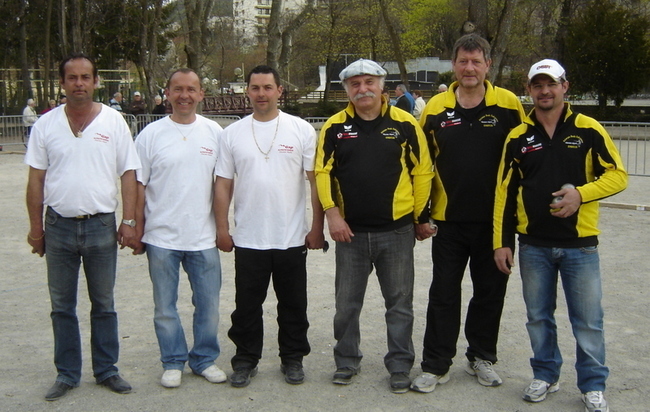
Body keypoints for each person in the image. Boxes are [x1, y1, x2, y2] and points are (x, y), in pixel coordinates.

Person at [493, 59, 627, 412]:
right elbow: (504, 195)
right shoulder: (518, 137)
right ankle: (545, 375)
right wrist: (501, 242)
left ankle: (593, 385)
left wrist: (581, 194)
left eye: (551, 84)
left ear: (565, 86)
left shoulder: (588, 129)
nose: (544, 91)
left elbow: (618, 175)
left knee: (587, 321)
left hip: (580, 247)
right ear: (529, 90)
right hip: (533, 245)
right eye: (537, 85)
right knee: (538, 317)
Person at [412, 34, 525, 394]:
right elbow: (423, 165)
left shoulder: (508, 105)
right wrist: (421, 213)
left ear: (488, 64)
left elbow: (524, 158)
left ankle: (482, 356)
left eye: (477, 61)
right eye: (463, 61)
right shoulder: (434, 109)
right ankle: (436, 363)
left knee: (489, 292)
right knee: (443, 293)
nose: (470, 68)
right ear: (454, 65)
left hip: (495, 222)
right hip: (447, 221)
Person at [25, 52, 140, 401]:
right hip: (58, 226)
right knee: (62, 305)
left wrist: (129, 221)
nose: (79, 84)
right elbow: (36, 181)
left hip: (101, 226)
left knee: (103, 303)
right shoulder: (46, 125)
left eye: (85, 77)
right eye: (72, 78)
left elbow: (129, 174)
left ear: (95, 81)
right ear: (62, 83)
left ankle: (106, 370)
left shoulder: (113, 121)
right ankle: (67, 373)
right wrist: (35, 229)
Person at [315, 58, 434, 394]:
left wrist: (419, 218)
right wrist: (331, 213)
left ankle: (399, 365)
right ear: (347, 90)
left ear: (382, 85)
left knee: (399, 304)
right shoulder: (335, 127)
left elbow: (422, 171)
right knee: (346, 305)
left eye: (369, 82)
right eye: (355, 84)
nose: (362, 89)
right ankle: (346, 360)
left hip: (396, 233)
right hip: (349, 233)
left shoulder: (406, 123)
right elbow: (322, 172)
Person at [214, 65, 325, 388]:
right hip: (249, 237)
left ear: (279, 91)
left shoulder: (301, 129)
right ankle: (246, 360)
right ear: (247, 91)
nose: (261, 93)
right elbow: (222, 184)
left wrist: (316, 227)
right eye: (255, 88)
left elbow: (314, 182)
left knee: (293, 304)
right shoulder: (232, 134)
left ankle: (292, 358)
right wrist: (222, 228)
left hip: (290, 236)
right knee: (246, 306)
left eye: (267, 87)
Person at [132, 68, 225, 389]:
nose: (184, 95)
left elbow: (223, 185)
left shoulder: (215, 133)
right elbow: (139, 186)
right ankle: (172, 361)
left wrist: (224, 228)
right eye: (177, 89)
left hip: (203, 237)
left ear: (201, 94)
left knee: (209, 305)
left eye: (191, 89)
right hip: (161, 238)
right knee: (165, 306)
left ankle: (204, 359)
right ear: (167, 93)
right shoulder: (150, 135)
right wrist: (137, 227)